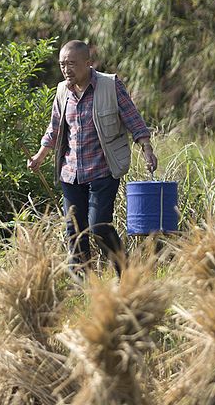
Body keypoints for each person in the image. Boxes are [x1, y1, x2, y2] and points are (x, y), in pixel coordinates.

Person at [27, 40, 157, 277]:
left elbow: (133, 119)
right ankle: (82, 283)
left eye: (71, 64)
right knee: (74, 229)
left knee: (98, 227)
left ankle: (126, 273)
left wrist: (146, 148)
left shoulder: (109, 85)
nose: (66, 69)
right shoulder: (62, 91)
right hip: (71, 173)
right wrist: (39, 156)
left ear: (88, 63)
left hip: (103, 170)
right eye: (62, 64)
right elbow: (54, 128)